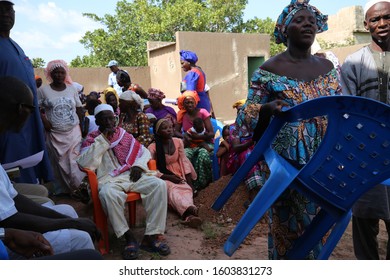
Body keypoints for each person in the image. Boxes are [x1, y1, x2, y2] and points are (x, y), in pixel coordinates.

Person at [235, 0, 341, 259]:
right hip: (288, 164)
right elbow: (245, 123)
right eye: (299, 20)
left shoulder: (327, 68)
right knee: (290, 234)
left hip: (324, 162)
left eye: (311, 21)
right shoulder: (268, 71)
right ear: (285, 30)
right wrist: (267, 109)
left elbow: (339, 110)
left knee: (320, 233)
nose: (307, 24)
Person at [0, 76, 99, 256]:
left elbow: (14, 199)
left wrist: (66, 219)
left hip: (5, 228)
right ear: (20, 109)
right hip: (5, 240)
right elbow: (11, 218)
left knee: (67, 210)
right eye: (33, 110)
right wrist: (71, 223)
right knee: (81, 238)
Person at [77, 104, 170, 260]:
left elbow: (143, 151)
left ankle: (151, 236)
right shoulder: (92, 139)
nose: (108, 122)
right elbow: (85, 164)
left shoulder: (124, 135)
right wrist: (103, 141)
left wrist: (139, 166)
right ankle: (128, 236)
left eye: (111, 118)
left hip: (132, 174)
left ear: (115, 119)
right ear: (97, 122)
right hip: (108, 179)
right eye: (104, 119)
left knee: (159, 185)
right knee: (107, 194)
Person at [340, 0, 390, 260]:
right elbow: (348, 112)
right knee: (364, 224)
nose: (382, 24)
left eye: (387, 17)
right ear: (366, 24)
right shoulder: (353, 63)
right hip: (364, 158)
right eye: (375, 19)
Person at [0, 0, 53, 184]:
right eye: (1, 9)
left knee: (29, 172)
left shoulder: (16, 46)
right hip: (7, 124)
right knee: (13, 176)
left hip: (28, 121)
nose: (6, 13)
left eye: (9, 9)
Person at [38, 60, 87, 197]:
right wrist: (45, 122)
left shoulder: (72, 89)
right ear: (50, 74)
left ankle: (79, 190)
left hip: (73, 131)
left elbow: (78, 108)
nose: (59, 75)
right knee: (60, 163)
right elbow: (37, 108)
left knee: (74, 161)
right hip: (54, 134)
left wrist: (82, 126)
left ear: (65, 73)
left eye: (62, 72)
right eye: (56, 73)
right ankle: (65, 191)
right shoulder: (43, 91)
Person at [148, 118, 202, 228]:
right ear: (158, 132)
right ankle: (192, 210)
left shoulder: (178, 142)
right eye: (164, 128)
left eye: (170, 127)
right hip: (163, 176)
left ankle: (189, 216)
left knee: (186, 189)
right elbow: (150, 169)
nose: (169, 130)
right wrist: (167, 177)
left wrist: (190, 183)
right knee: (173, 190)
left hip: (178, 173)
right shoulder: (152, 147)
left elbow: (184, 161)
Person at [174, 91, 214, 192]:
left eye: (191, 102)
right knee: (185, 156)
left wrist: (197, 138)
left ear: (196, 102)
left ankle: (205, 183)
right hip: (190, 144)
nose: (190, 105)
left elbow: (211, 133)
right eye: (187, 103)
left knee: (203, 155)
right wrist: (184, 135)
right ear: (183, 104)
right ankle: (192, 185)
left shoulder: (203, 112)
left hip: (204, 142)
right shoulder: (182, 115)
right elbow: (176, 131)